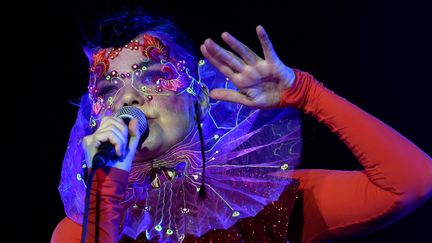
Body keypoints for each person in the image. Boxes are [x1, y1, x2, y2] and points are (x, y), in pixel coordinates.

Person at [51, 10, 432, 243]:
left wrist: (305, 92)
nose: (130, 99)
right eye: (108, 89)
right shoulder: (79, 232)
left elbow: (412, 181)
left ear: (199, 97)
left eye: (153, 76)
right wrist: (105, 187)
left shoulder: (264, 201)